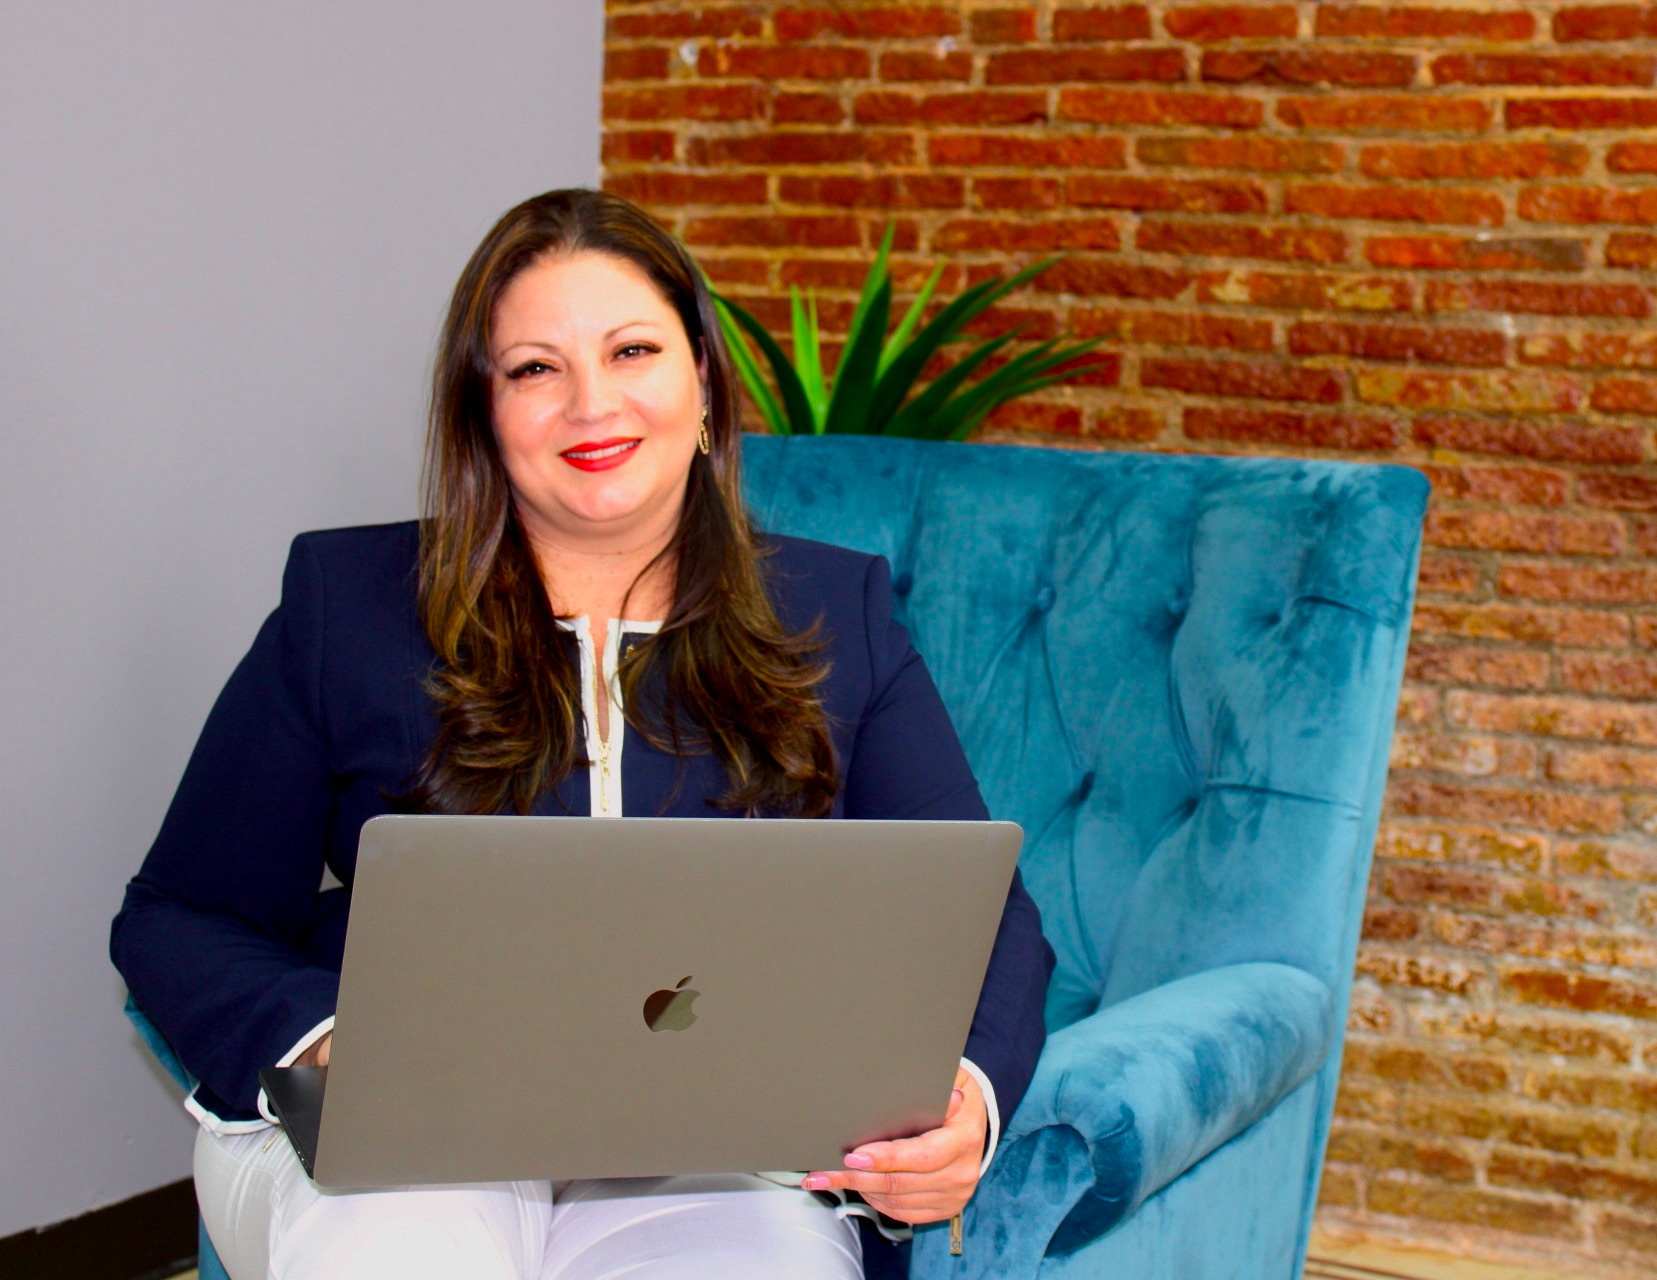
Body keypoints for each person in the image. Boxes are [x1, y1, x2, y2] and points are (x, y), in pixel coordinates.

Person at [110, 188, 1054, 1280]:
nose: (590, 404)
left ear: (705, 384)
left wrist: (963, 1100)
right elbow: (182, 913)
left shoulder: (836, 613)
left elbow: (981, 911)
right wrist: (327, 1039)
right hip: (408, 1136)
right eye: (534, 369)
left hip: (716, 1157)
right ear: (483, 414)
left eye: (632, 350)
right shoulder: (348, 604)